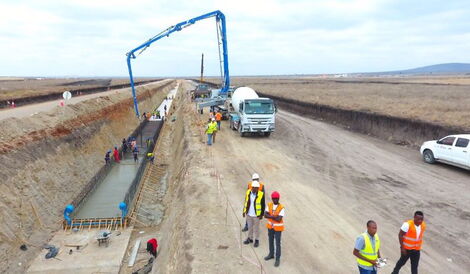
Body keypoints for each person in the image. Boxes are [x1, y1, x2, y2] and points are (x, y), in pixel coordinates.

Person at [264, 191, 284, 267]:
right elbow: (265, 215)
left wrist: (270, 215)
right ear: (272, 199)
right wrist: (274, 216)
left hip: (278, 228)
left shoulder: (281, 207)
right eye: (273, 198)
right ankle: (271, 254)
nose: (275, 200)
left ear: (278, 198)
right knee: (270, 241)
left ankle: (277, 259)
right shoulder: (269, 205)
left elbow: (279, 219)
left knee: (277, 243)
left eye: (276, 198)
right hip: (270, 227)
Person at [242, 180, 265, 247]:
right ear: (252, 187)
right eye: (253, 187)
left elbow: (263, 205)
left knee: (256, 229)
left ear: (258, 188)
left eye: (256, 188)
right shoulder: (248, 192)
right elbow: (246, 201)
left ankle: (257, 240)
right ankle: (250, 238)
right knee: (249, 227)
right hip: (249, 213)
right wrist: (244, 211)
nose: (254, 189)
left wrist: (261, 214)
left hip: (256, 215)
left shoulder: (261, 194)